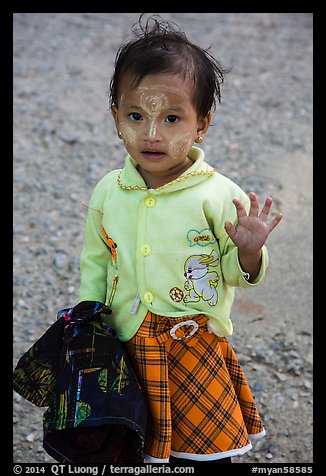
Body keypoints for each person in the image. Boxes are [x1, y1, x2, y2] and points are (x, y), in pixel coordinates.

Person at [78, 14, 283, 464]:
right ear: (116, 119)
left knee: (204, 454)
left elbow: (233, 271)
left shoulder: (219, 195)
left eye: (172, 118)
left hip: (195, 346)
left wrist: (249, 252)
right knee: (134, 444)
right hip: (128, 343)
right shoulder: (109, 192)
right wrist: (86, 319)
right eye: (136, 116)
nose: (152, 134)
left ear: (201, 124)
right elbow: (96, 260)